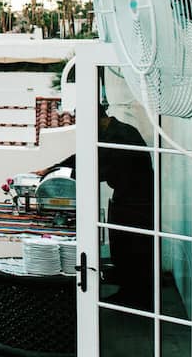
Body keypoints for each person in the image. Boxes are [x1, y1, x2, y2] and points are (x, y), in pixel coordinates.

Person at [36, 102, 154, 309]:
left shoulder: (121, 136)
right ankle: (128, 290)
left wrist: (65, 177)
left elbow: (98, 167)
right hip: (125, 197)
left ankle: (135, 298)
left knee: (133, 249)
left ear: (98, 119)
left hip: (137, 201)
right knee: (121, 247)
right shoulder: (110, 132)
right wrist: (51, 169)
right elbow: (84, 155)